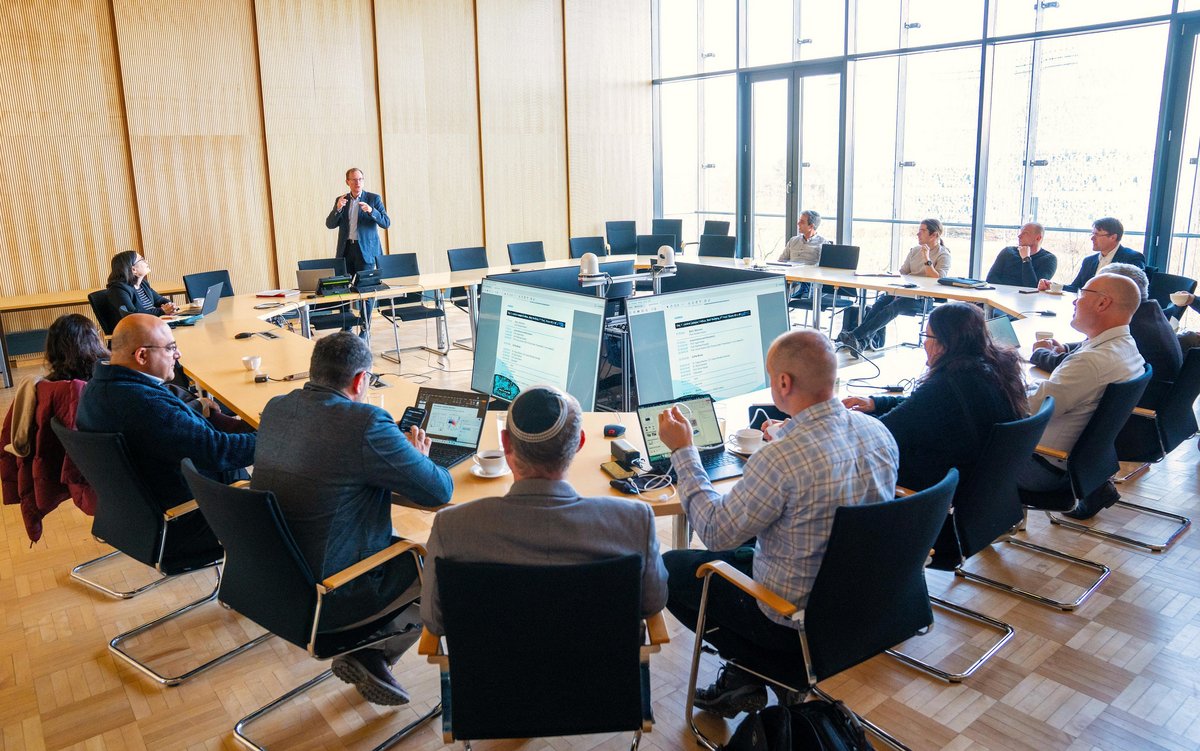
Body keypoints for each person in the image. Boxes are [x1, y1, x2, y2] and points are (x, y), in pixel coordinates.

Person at [657, 330, 898, 717]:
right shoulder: (878, 432)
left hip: (792, 621)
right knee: (753, 531)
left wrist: (684, 452)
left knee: (670, 569)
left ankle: (764, 670)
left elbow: (716, 532)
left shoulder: (781, 460)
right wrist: (784, 432)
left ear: (783, 383)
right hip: (862, 605)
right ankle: (746, 677)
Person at [253, 332, 452, 707]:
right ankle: (369, 651)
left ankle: (369, 655)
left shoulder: (277, 407)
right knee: (438, 566)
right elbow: (439, 491)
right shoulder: (365, 423)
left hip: (273, 581)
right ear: (361, 380)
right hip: (331, 593)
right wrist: (418, 457)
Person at [421, 385, 668, 636]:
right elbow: (652, 603)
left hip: (495, 675)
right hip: (603, 673)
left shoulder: (451, 527)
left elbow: (435, 621)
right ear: (579, 443)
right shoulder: (635, 521)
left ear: (506, 443)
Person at [75, 314, 256, 555]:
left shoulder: (95, 389)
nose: (178, 355)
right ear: (141, 355)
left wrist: (192, 409)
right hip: (187, 521)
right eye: (171, 348)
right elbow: (218, 451)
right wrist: (279, 439)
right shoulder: (143, 403)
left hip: (137, 518)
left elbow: (159, 429)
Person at [843, 302, 1027, 492]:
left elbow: (883, 433)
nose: (924, 343)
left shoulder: (946, 384)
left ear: (945, 343)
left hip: (941, 485)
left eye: (927, 336)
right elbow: (919, 407)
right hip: (984, 481)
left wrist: (843, 419)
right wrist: (877, 402)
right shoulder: (991, 369)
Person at [1020, 274, 1145, 519]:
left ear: (1102, 303)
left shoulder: (1091, 362)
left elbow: (1028, 410)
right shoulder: (1127, 347)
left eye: (1081, 294)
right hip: (1080, 465)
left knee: (956, 438)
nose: (1075, 302)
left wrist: (1006, 382)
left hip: (1042, 467)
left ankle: (961, 529)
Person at [1, 314, 109, 543]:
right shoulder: (91, 392)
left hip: (85, 478)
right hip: (107, 481)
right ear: (92, 344)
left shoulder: (46, 389)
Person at [1032, 263, 1180, 408]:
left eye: (1084, 293)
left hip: (1139, 414)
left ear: (1105, 301)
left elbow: (1084, 367)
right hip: (1135, 407)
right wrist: (1065, 347)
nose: (1075, 301)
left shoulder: (1135, 330)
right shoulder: (1146, 316)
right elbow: (1093, 349)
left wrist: (1040, 353)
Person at [836, 218, 950, 352]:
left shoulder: (944, 254)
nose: (918, 234)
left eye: (922, 231)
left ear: (934, 235)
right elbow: (903, 273)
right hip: (903, 292)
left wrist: (927, 259)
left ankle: (855, 335)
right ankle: (862, 343)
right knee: (879, 304)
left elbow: (937, 279)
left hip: (924, 299)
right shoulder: (914, 251)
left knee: (893, 307)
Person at [325, 167, 390, 336]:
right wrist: (338, 209)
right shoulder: (342, 200)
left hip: (366, 251)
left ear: (363, 180)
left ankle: (365, 327)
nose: (357, 183)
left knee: (366, 290)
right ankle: (346, 325)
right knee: (343, 289)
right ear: (347, 182)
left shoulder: (373, 199)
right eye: (353, 180)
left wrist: (371, 211)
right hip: (346, 250)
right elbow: (330, 224)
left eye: (360, 179)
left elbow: (386, 223)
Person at [1038, 217, 1145, 293]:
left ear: (1113, 237)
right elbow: (1076, 288)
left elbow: (1133, 292)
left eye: (1097, 234)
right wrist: (1052, 286)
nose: (1092, 238)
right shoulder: (1089, 261)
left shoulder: (1132, 258)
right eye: (1092, 234)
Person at [105, 250, 177, 317]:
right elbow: (132, 313)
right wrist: (162, 311)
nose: (146, 261)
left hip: (152, 324)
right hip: (136, 328)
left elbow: (160, 300)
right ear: (133, 269)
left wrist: (170, 306)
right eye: (142, 260)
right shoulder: (118, 289)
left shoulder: (143, 284)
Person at [985, 222, 1057, 288]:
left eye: (1025, 233)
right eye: (1020, 233)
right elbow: (990, 279)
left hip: (1026, 300)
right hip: (999, 297)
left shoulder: (1049, 259)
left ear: (1038, 238)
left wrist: (1026, 259)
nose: (1019, 236)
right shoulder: (1007, 251)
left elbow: (1033, 287)